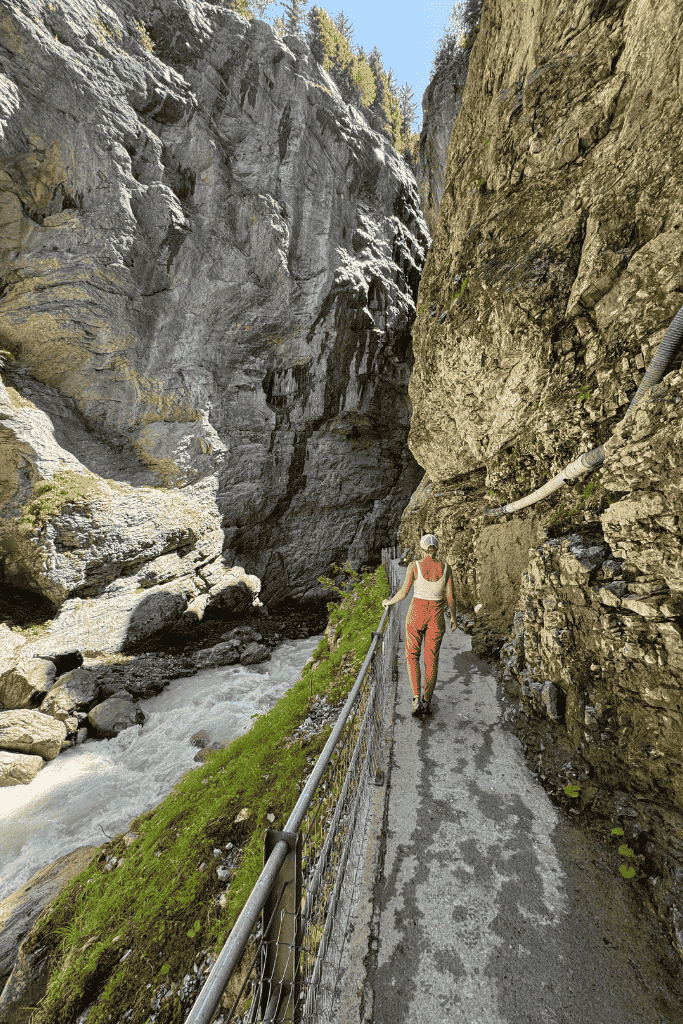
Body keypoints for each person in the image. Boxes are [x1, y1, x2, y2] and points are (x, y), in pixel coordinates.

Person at [382, 534, 457, 717]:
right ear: (436, 549)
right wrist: (453, 618)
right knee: (431, 660)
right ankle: (427, 701)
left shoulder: (414, 566)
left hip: (417, 614)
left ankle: (416, 699)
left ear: (422, 549)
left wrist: (389, 602)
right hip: (436, 616)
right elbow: (450, 596)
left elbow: (404, 592)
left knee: (412, 656)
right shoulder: (446, 568)